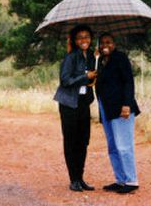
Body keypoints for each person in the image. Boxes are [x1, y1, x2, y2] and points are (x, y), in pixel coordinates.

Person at [54, 24, 97, 192]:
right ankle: (74, 179)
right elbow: (65, 81)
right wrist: (84, 76)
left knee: (83, 140)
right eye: (80, 37)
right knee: (71, 140)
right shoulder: (70, 57)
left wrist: (92, 77)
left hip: (83, 103)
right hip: (69, 104)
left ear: (91, 39)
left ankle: (80, 177)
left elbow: (93, 76)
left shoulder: (92, 57)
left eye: (86, 37)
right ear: (74, 40)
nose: (83, 40)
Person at [96, 32, 141, 194]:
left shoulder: (120, 58)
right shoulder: (100, 61)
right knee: (113, 146)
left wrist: (127, 104)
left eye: (108, 42)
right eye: (101, 43)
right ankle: (120, 179)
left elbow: (129, 81)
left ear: (114, 44)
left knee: (123, 145)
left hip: (121, 108)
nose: (105, 45)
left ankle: (131, 180)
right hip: (106, 109)